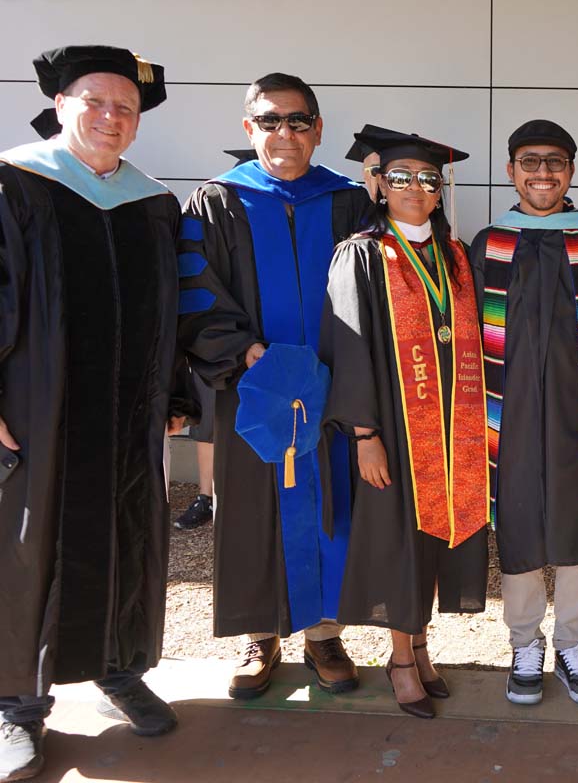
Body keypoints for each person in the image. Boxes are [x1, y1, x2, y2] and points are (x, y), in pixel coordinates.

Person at [0, 45, 190, 781]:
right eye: (95, 101)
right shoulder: (15, 184)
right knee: (27, 547)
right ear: (59, 104)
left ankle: (117, 665)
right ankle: (16, 704)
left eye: (126, 108)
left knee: (129, 534)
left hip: (130, 413)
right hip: (37, 412)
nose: (111, 118)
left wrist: (175, 395)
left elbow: (174, 309)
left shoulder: (152, 203)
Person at [176, 72, 371, 700]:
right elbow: (194, 287)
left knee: (331, 506)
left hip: (332, 390)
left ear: (317, 129)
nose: (283, 133)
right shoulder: (217, 201)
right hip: (252, 391)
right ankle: (260, 637)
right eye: (269, 121)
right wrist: (245, 351)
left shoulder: (346, 200)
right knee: (254, 505)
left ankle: (322, 634)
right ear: (247, 128)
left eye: (297, 121)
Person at [321, 131, 489, 719]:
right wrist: (365, 435)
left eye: (427, 179)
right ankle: (397, 659)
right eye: (401, 178)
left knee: (437, 536)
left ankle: (420, 647)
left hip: (453, 431)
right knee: (399, 540)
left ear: (440, 191)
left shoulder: (456, 255)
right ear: (380, 186)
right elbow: (349, 350)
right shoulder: (362, 254)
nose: (415, 188)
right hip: (394, 429)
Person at [468, 119, 578, 707]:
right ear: (511, 171)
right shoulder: (489, 242)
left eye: (555, 162)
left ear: (572, 171)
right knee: (521, 520)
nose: (542, 173)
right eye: (529, 162)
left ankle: (574, 644)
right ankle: (524, 643)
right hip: (509, 411)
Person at [175, 149, 253, 532]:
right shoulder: (211, 209)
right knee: (210, 424)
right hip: (223, 348)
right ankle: (208, 496)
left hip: (278, 351)